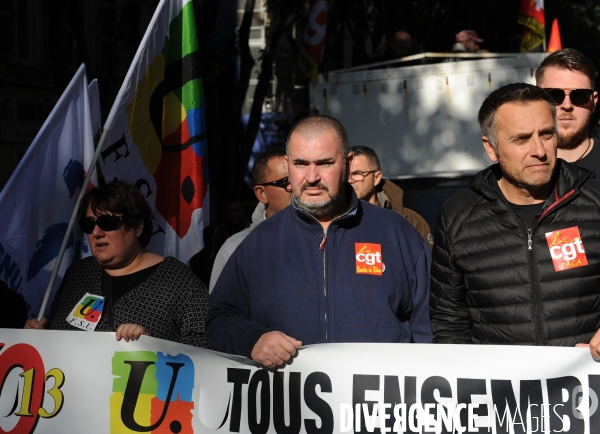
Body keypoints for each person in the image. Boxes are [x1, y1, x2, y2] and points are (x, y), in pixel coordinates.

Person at [206, 115, 432, 368]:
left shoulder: (397, 233)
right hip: (288, 403)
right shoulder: (258, 242)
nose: (311, 177)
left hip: (378, 403)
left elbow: (432, 326)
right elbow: (218, 320)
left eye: (324, 163)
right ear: (287, 164)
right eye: (300, 164)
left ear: (347, 164)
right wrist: (252, 339)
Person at [430, 83, 600, 349]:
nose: (540, 151)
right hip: (498, 389)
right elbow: (449, 323)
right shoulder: (458, 217)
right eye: (521, 139)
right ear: (491, 148)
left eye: (546, 134)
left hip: (585, 388)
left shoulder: (594, 203)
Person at [25, 180, 209, 347]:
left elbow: (206, 348)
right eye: (88, 225)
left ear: (137, 226)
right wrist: (39, 336)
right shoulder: (78, 274)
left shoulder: (177, 280)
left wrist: (154, 347)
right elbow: (57, 333)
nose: (96, 233)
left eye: (107, 222)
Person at [209, 147, 292, 292]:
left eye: (298, 180)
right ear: (262, 194)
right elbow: (222, 312)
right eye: (285, 182)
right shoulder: (236, 248)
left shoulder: (322, 238)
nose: (295, 188)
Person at [348, 146, 433, 248]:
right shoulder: (332, 221)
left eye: (357, 174)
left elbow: (428, 261)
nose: (349, 180)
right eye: (345, 175)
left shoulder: (411, 221)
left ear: (376, 177)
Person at [535, 48, 599, 174]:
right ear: (536, 98)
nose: (567, 105)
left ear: (594, 101)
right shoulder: (516, 170)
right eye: (554, 95)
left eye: (580, 95)